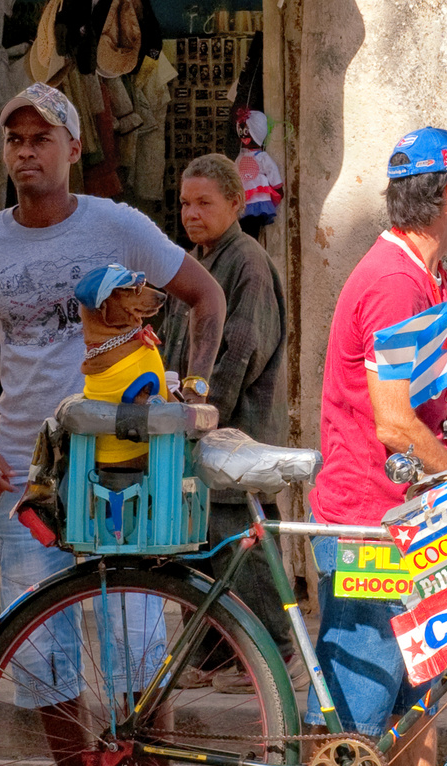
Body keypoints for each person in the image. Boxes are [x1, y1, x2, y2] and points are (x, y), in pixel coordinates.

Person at [0, 82, 226, 766]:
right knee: (44, 668)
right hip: (26, 481)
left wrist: (189, 398)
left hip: (121, 476)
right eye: (14, 139)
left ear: (70, 149)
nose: (27, 151)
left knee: (137, 659)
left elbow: (205, 297)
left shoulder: (117, 226)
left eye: (41, 138)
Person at [275, 127, 447, 766]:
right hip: (373, 525)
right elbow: (398, 424)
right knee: (356, 699)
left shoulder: (429, 280)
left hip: (415, 518)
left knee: (423, 689)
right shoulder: (395, 287)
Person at [157, 153, 294, 682]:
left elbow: (240, 352)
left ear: (236, 204)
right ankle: (211, 653)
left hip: (238, 430)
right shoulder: (196, 261)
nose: (191, 213)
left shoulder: (248, 263)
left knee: (241, 543)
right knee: (197, 542)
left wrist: (202, 417)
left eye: (204, 203)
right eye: (186, 204)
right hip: (197, 427)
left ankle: (278, 652)